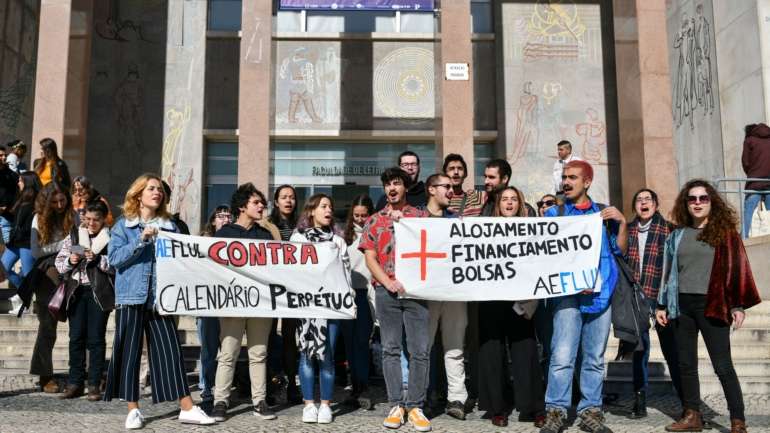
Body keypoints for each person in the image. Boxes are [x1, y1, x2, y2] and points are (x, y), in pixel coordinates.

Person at [104, 173, 214, 428]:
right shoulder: (123, 226)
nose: (157, 193)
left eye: (159, 190)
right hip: (131, 296)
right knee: (129, 351)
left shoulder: (171, 226)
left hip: (162, 298)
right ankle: (133, 409)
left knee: (170, 352)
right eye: (151, 189)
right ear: (138, 194)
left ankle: (186, 407)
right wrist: (141, 241)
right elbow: (115, 260)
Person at [656, 179, 761, 433]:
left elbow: (737, 271)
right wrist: (661, 304)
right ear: (686, 203)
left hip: (713, 304)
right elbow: (668, 272)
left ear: (712, 202)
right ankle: (692, 416)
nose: (698, 203)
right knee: (686, 364)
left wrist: (737, 305)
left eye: (703, 198)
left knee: (722, 365)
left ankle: (738, 421)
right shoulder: (677, 235)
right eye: (692, 199)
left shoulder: (725, 234)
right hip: (681, 305)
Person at [540, 160, 627, 433]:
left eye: (573, 177)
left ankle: (591, 411)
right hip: (567, 295)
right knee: (562, 355)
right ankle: (556, 410)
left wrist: (622, 223)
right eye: (564, 177)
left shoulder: (603, 213)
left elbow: (619, 251)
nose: (566, 182)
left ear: (587, 182)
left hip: (600, 294)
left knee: (593, 357)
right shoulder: (553, 214)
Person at [359, 167, 431, 432]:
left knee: (419, 351)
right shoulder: (375, 220)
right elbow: (369, 256)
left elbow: (437, 245)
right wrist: (387, 281)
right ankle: (396, 405)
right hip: (386, 292)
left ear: (405, 187)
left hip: (416, 292)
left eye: (397, 183)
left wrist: (407, 224)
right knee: (390, 349)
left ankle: (416, 406)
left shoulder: (421, 216)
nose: (392, 188)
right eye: (388, 184)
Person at [478, 186, 545, 428]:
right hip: (491, 302)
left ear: (520, 204)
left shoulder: (530, 230)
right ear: (498, 204)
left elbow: (538, 264)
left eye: (513, 199)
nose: (508, 203)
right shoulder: (483, 230)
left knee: (526, 352)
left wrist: (531, 302)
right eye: (504, 199)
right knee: (492, 355)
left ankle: (533, 407)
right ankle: (498, 408)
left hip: (521, 302)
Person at [211, 183, 277, 423]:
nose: (261, 206)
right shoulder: (224, 234)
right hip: (232, 303)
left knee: (259, 353)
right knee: (228, 353)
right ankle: (221, 401)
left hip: (260, 303)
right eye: (256, 203)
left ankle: (259, 401)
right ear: (242, 206)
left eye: (263, 203)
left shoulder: (265, 235)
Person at [290, 194, 352, 424]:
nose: (328, 210)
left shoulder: (338, 241)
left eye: (330, 207)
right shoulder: (298, 239)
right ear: (311, 211)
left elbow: (345, 274)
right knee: (306, 354)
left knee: (327, 355)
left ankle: (325, 404)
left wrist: (348, 299)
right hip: (306, 306)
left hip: (331, 307)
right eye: (323, 206)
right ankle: (308, 404)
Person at [623, 188, 681, 418]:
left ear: (656, 205)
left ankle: (688, 402)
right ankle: (639, 399)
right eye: (639, 200)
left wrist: (665, 301)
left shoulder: (670, 230)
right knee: (639, 351)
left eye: (648, 199)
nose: (643, 203)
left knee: (673, 351)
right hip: (637, 297)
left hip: (662, 298)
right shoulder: (626, 230)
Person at [55, 200, 114, 401]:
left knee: (96, 339)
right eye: (87, 219)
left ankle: (94, 384)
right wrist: (70, 261)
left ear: (104, 219)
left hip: (99, 292)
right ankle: (75, 383)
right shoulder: (74, 236)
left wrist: (98, 260)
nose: (91, 223)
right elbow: (59, 263)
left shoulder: (111, 238)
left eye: (96, 220)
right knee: (76, 338)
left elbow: (117, 264)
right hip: (76, 291)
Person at [422, 173, 469, 421]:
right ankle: (424, 397)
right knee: (424, 348)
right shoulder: (415, 219)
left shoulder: (457, 221)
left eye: (453, 187)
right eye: (446, 186)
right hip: (426, 294)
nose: (452, 190)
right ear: (431, 189)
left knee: (455, 347)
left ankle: (457, 398)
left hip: (453, 292)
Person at [27, 182, 75, 393]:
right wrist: (63, 244)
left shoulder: (73, 216)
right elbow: (36, 252)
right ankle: (44, 375)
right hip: (47, 276)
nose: (59, 205)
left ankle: (80, 375)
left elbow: (79, 243)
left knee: (80, 326)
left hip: (72, 271)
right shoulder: (38, 219)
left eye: (62, 200)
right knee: (47, 326)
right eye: (54, 202)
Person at [267, 184, 301, 404]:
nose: (288, 201)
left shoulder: (302, 226)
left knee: (290, 339)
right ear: (276, 201)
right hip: (269, 289)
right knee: (268, 338)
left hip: (294, 289)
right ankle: (269, 386)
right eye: (284, 197)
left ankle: (291, 384)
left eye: (292, 197)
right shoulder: (266, 226)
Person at [341, 194, 376, 410]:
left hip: (365, 294)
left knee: (362, 342)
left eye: (364, 215)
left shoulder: (374, 233)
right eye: (356, 215)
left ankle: (363, 385)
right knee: (349, 344)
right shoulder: (343, 235)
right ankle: (354, 384)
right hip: (346, 294)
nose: (360, 219)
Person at [196, 205, 232, 408]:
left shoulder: (237, 242)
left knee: (227, 349)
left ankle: (222, 388)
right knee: (209, 350)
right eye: (220, 216)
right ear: (212, 221)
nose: (225, 219)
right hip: (207, 304)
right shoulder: (201, 243)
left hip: (229, 304)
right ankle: (206, 387)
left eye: (228, 216)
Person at [2, 172, 42, 314]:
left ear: (27, 182)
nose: (18, 182)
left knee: (28, 273)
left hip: (26, 242)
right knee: (3, 266)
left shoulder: (37, 201)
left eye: (20, 180)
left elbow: (32, 224)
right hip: (15, 242)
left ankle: (26, 302)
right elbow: (15, 218)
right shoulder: (21, 197)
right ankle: (23, 293)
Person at [740, 123, 770, 237]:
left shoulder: (749, 140)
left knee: (749, 211)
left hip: (754, 182)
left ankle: (744, 239)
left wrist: (752, 173)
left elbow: (745, 162)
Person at [0, 145, 19, 244]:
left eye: (5, 155)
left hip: (6, 217)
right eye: (0, 155)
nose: (3, 157)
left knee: (8, 247)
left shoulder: (13, 175)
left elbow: (17, 195)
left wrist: (9, 208)